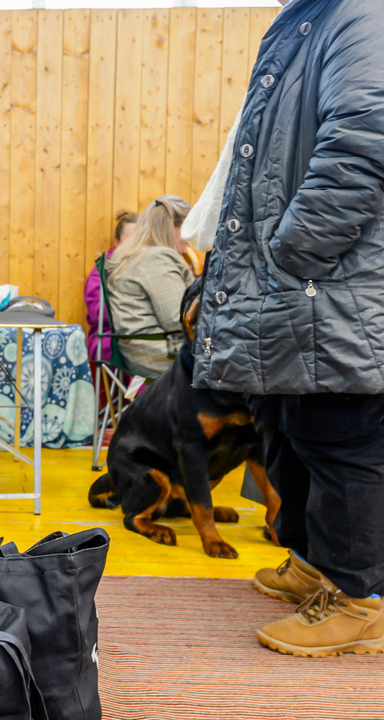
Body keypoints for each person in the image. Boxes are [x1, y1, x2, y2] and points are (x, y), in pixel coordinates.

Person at [192, 0, 384, 657]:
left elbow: (364, 143)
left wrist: (290, 248)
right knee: (295, 429)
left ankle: (361, 600)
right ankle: (313, 562)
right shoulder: (314, 19)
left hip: (333, 278)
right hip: (305, 283)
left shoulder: (360, 15)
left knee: (344, 440)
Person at [105, 195, 193, 378]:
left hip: (141, 353)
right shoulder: (157, 258)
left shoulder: (131, 255)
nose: (189, 238)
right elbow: (178, 319)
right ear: (172, 228)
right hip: (165, 355)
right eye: (187, 229)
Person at [85, 209, 137, 364]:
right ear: (117, 242)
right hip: (109, 336)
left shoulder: (153, 267)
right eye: (130, 239)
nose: (136, 245)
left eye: (140, 239)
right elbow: (98, 313)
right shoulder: (103, 270)